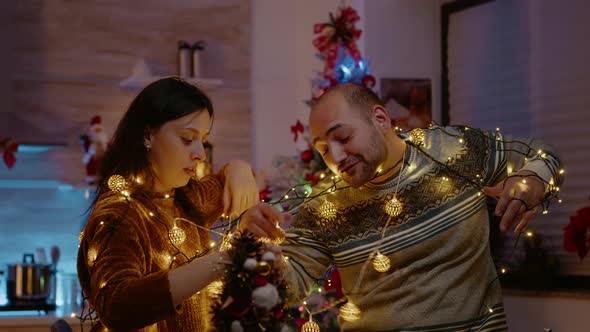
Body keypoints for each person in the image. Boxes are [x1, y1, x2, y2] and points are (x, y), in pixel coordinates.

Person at [280, 83, 563, 330]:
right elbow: (288, 286)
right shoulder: (325, 206)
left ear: (380, 119)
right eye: (324, 150)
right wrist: (256, 249)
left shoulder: (455, 151)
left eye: (342, 138)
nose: (336, 156)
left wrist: (531, 179)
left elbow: (541, 155)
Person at [77, 77, 284, 332]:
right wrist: (223, 261)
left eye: (203, 140)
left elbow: (224, 180)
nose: (200, 153)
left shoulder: (187, 196)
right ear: (147, 135)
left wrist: (240, 170)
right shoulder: (118, 215)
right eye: (187, 138)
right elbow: (116, 307)